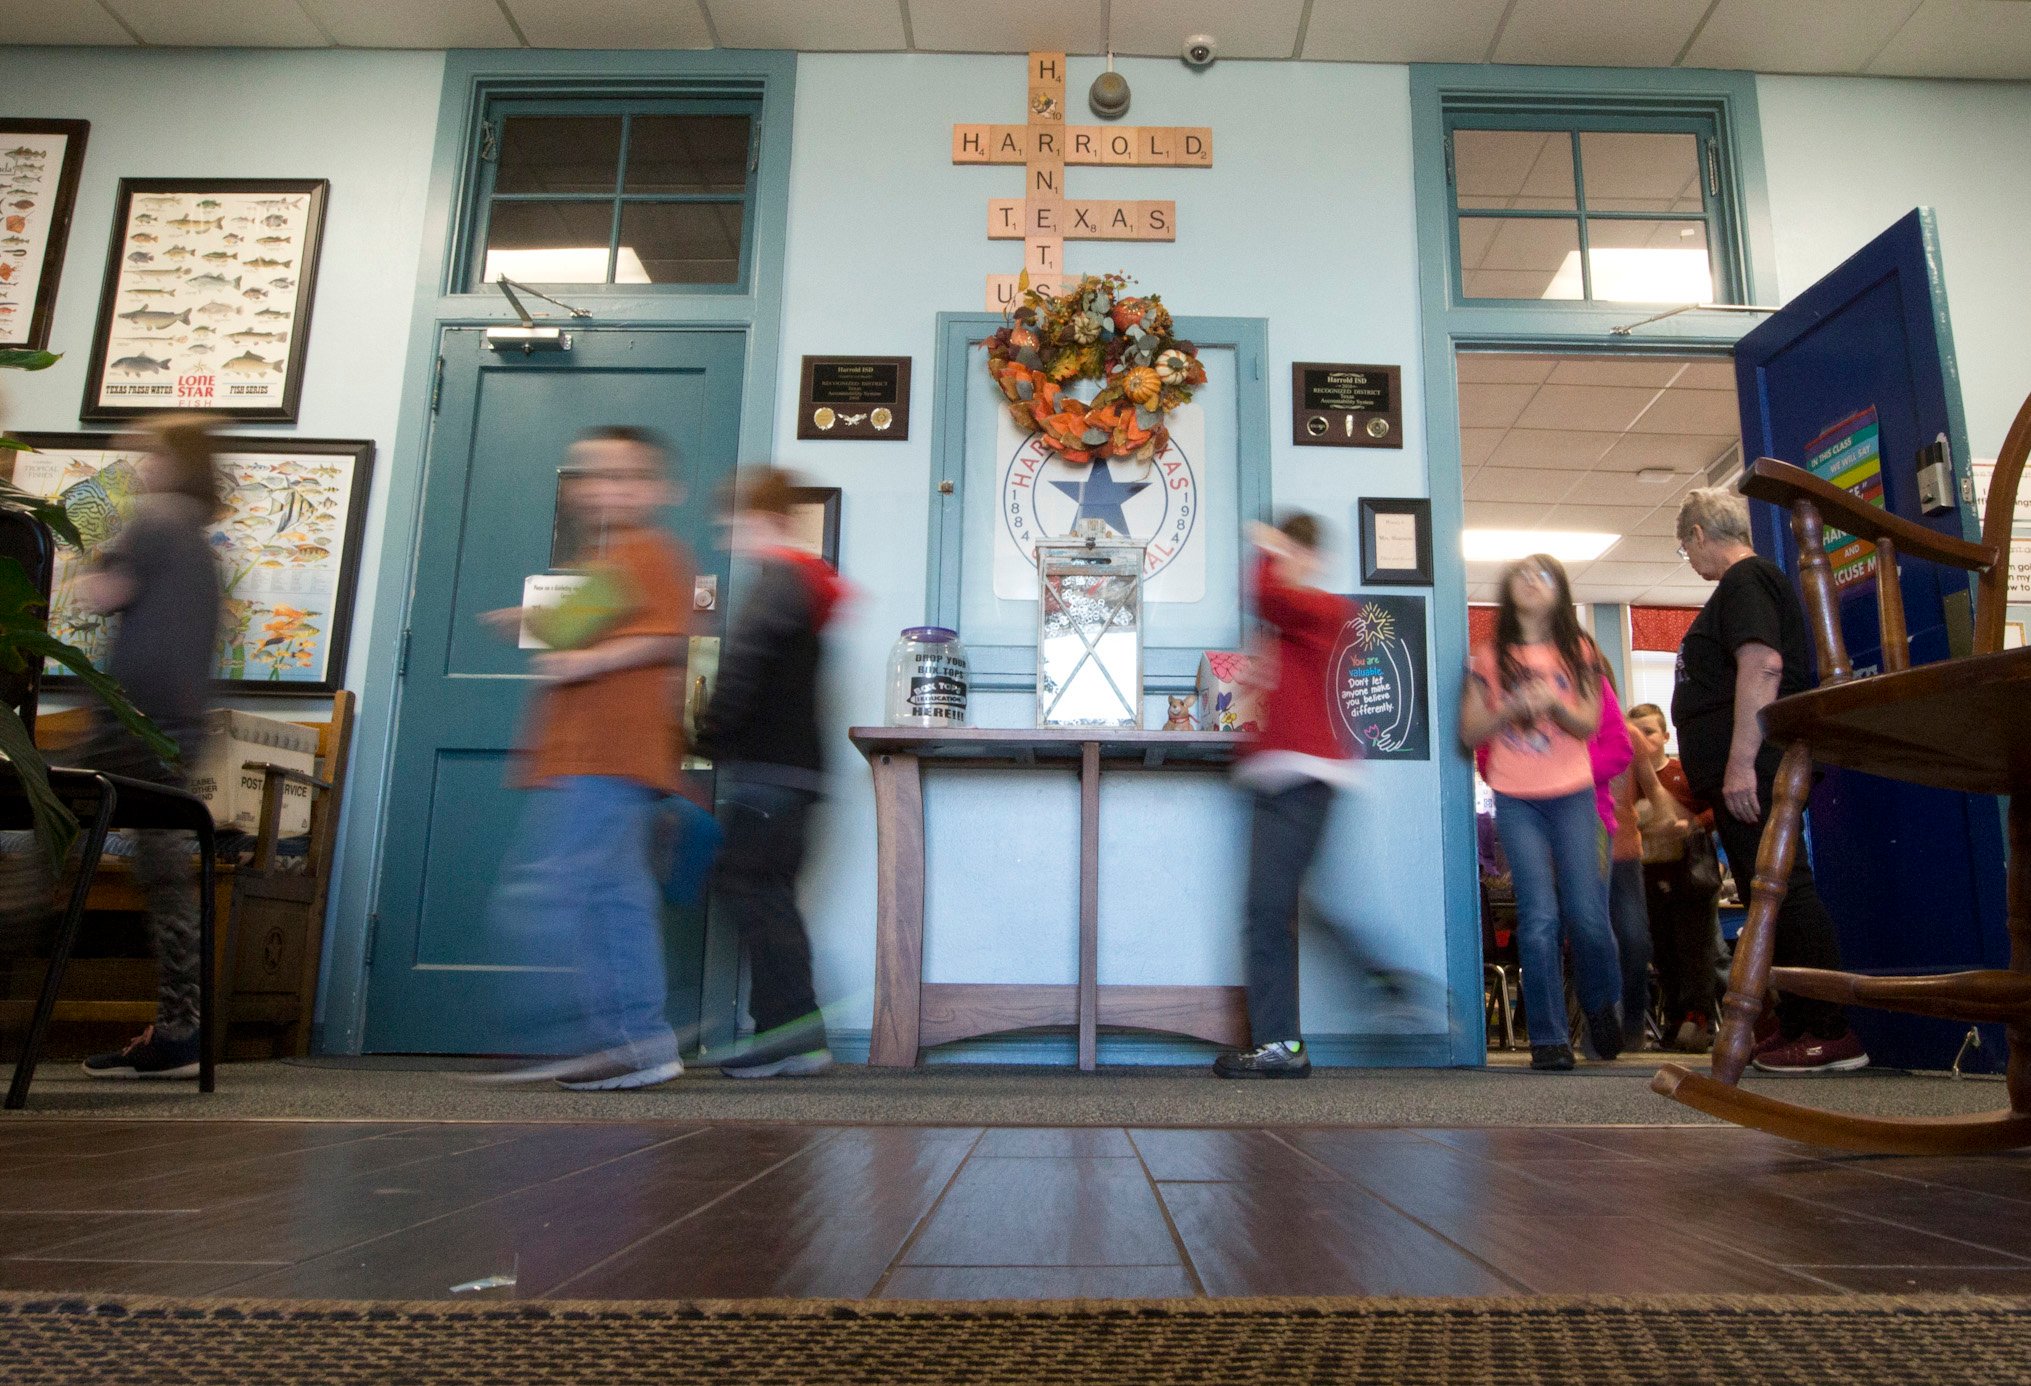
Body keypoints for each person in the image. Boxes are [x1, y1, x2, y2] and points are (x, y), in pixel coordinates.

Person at [483, 425, 694, 1091]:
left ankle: (609, 1039)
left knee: (555, 895)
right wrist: (531, 621)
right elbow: (571, 624)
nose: (607, 487)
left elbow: (664, 636)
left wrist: (585, 657)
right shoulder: (612, 564)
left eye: (625, 476)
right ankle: (637, 1041)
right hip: (596, 761)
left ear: (660, 490)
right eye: (593, 474)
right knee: (614, 901)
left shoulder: (649, 552)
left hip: (605, 761)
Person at [1672, 487, 1867, 1073]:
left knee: (1784, 890)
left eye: (1687, 549)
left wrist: (1738, 761)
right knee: (1768, 893)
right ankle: (1805, 1020)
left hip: (1755, 768)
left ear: (1700, 534)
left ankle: (1832, 1031)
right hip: (1749, 768)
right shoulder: (1748, 584)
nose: (1692, 560)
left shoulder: (1745, 580)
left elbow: (1763, 664)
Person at [59, 415, 227, 1080]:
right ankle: (181, 1032)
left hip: (124, 723)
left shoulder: (150, 517)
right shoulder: (197, 532)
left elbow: (102, 596)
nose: (132, 463)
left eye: (140, 452)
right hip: (177, 728)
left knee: (32, 848)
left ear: (168, 461)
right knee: (165, 879)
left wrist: (82, 550)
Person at [695, 466, 845, 1079]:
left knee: (755, 894)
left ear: (755, 517)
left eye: (731, 522)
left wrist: (706, 733)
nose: (727, 535)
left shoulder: (776, 580)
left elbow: (745, 667)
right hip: (795, 772)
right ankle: (794, 1033)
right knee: (769, 897)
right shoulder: (801, 583)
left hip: (767, 770)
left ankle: (788, 1035)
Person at [1212, 514, 1362, 1080]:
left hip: (1302, 779)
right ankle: (1378, 979)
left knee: (1269, 912)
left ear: (1312, 557)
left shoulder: (1324, 609)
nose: (1285, 561)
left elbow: (1264, 592)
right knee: (1283, 907)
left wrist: (1266, 548)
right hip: (1284, 779)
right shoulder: (1294, 627)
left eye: (1295, 552)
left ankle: (1284, 1044)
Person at [1461, 554, 1623, 1072]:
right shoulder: (1487, 656)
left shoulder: (1579, 650)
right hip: (1515, 795)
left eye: (1545, 574)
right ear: (1509, 588)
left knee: (1587, 917)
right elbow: (1468, 732)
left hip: (1573, 793)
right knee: (1538, 918)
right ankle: (1549, 1038)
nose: (1533, 580)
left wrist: (1550, 704)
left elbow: (1590, 722)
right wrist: (1510, 709)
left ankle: (1599, 1003)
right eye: (1524, 573)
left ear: (1560, 592)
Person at [1628, 703, 1722, 1053]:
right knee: (1664, 953)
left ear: (1665, 736)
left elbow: (1716, 809)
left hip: (1691, 877)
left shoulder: (1686, 773)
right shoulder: (1629, 782)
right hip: (1648, 878)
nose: (1642, 739)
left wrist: (1694, 825)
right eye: (1634, 732)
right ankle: (1673, 1019)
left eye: (1648, 731)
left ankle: (1698, 1021)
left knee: (1695, 952)